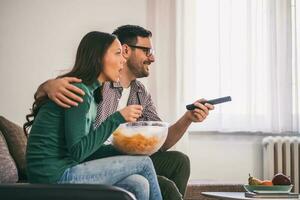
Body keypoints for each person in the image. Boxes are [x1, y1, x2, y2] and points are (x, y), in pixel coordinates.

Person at [35, 25, 214, 200]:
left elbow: (160, 140)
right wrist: (45, 87)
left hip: (90, 157)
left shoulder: (137, 92)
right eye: (146, 51)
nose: (152, 58)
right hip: (70, 168)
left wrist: (188, 117)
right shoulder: (89, 88)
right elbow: (78, 149)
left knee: (160, 171)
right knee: (148, 170)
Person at [24, 31, 163, 200]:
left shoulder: (92, 94)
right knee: (144, 163)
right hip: (52, 178)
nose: (123, 60)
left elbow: (86, 149)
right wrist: (117, 118)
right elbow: (78, 152)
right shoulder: (78, 92)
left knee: (138, 183)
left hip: (63, 171)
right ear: (98, 57)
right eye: (118, 53)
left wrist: (124, 150)